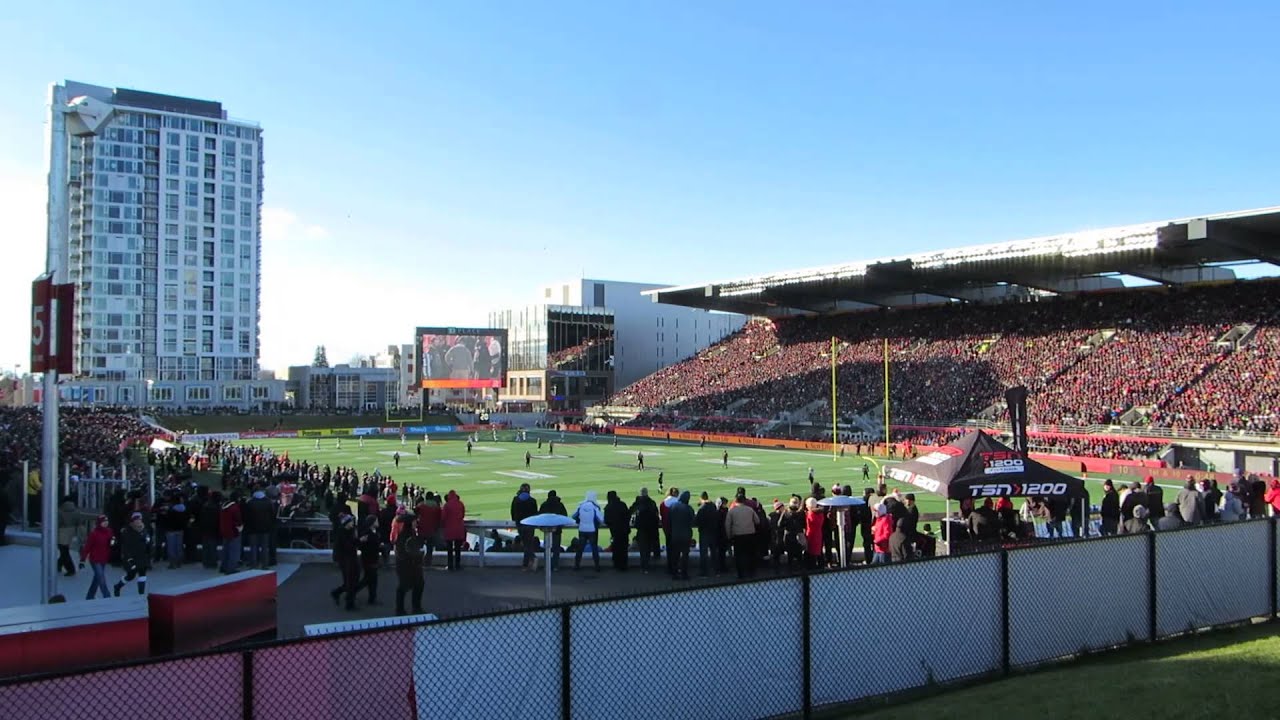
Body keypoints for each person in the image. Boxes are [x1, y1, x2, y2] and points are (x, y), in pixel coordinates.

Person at [114, 512, 150, 596]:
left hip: (142, 556)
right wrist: (129, 558)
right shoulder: (128, 531)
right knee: (131, 575)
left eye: (139, 519)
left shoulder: (144, 529)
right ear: (133, 521)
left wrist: (149, 549)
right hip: (132, 557)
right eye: (136, 519)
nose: (138, 521)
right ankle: (118, 586)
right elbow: (126, 547)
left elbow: (148, 541)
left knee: (142, 574)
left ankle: (141, 594)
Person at [394, 515, 425, 616]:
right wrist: (418, 555)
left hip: (412, 565)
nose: (416, 523)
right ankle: (401, 609)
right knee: (404, 587)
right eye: (415, 521)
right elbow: (404, 552)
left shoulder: (410, 534)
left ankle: (414, 607)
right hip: (407, 566)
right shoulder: (405, 536)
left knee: (418, 585)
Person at [329, 512, 359, 609]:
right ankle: (349, 603)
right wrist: (358, 541)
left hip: (350, 558)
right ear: (346, 523)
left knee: (350, 581)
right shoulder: (342, 533)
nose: (353, 523)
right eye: (351, 522)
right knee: (350, 581)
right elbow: (347, 546)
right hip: (346, 559)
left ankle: (337, 593)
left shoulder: (350, 531)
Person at [80, 515, 113, 599]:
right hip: (95, 559)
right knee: (101, 578)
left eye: (106, 521)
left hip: (104, 558)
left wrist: (113, 542)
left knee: (97, 578)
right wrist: (82, 560)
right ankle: (107, 596)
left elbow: (110, 544)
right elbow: (87, 547)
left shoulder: (109, 531)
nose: (106, 523)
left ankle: (90, 596)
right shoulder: (94, 534)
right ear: (99, 523)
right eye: (103, 521)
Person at [352, 515, 381, 605]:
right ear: (372, 523)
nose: (378, 522)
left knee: (371, 580)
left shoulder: (374, 532)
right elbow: (363, 546)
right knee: (368, 580)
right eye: (376, 521)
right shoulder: (367, 533)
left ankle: (372, 598)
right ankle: (352, 593)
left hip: (372, 559)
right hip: (369, 559)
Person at [572, 491, 604, 571]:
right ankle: (597, 566)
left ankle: (576, 565)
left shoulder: (581, 506)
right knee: (594, 548)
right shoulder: (595, 507)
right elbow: (601, 519)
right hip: (592, 530)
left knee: (580, 549)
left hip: (582, 530)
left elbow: (574, 515)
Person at [631, 488, 660, 573]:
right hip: (651, 528)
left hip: (642, 529)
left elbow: (630, 511)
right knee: (649, 548)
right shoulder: (652, 502)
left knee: (643, 549)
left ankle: (644, 567)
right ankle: (648, 566)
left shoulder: (638, 503)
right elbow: (656, 515)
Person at [511, 483, 539, 571]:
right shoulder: (532, 500)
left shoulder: (516, 500)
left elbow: (512, 512)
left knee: (526, 544)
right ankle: (529, 561)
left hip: (520, 524)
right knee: (528, 544)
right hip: (530, 525)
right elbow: (535, 513)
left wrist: (515, 521)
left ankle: (527, 563)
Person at [244, 488, 274, 570]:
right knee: (264, 547)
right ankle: (265, 565)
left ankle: (253, 564)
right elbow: (272, 515)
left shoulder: (250, 503)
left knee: (253, 547)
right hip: (265, 528)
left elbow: (246, 516)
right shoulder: (268, 502)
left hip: (252, 528)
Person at [668, 491, 694, 580]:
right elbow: (693, 521)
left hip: (675, 535)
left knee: (675, 555)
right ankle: (684, 574)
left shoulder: (673, 506)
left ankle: (674, 574)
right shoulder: (689, 508)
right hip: (686, 535)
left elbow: (669, 520)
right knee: (685, 555)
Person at [539, 490, 568, 569]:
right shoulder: (560, 504)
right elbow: (564, 516)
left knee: (547, 548)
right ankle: (555, 566)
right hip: (557, 529)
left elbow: (540, 516)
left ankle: (547, 565)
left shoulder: (544, 505)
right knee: (556, 548)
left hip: (547, 529)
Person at [695, 493, 720, 577]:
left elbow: (697, 521)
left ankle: (704, 572)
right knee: (714, 552)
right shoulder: (713, 506)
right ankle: (716, 571)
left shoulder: (702, 509)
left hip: (704, 532)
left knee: (704, 553)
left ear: (701, 498)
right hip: (713, 532)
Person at [604, 490, 630, 571]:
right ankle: (623, 565)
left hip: (615, 531)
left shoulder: (608, 507)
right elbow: (627, 516)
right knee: (624, 548)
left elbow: (606, 520)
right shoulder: (622, 504)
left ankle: (617, 564)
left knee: (616, 548)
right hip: (624, 530)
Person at [218, 492, 243, 574]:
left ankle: (223, 566)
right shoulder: (234, 507)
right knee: (234, 551)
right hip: (233, 531)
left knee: (225, 550)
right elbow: (238, 520)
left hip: (224, 530)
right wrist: (240, 527)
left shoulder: (223, 506)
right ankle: (231, 568)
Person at [441, 490, 466, 571]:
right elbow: (462, 515)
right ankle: (457, 565)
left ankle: (450, 565)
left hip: (449, 529)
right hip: (459, 529)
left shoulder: (447, 505)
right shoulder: (460, 504)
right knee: (458, 549)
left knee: (449, 549)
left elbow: (443, 517)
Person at [56, 495, 78, 577]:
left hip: (61, 532)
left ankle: (71, 569)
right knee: (64, 550)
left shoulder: (59, 511)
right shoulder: (75, 510)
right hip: (71, 532)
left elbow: (57, 523)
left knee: (64, 551)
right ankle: (58, 564)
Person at [805, 497, 826, 568]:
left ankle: (812, 566)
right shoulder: (820, 514)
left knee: (812, 552)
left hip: (811, 535)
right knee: (818, 551)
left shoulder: (810, 514)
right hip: (818, 533)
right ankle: (821, 565)